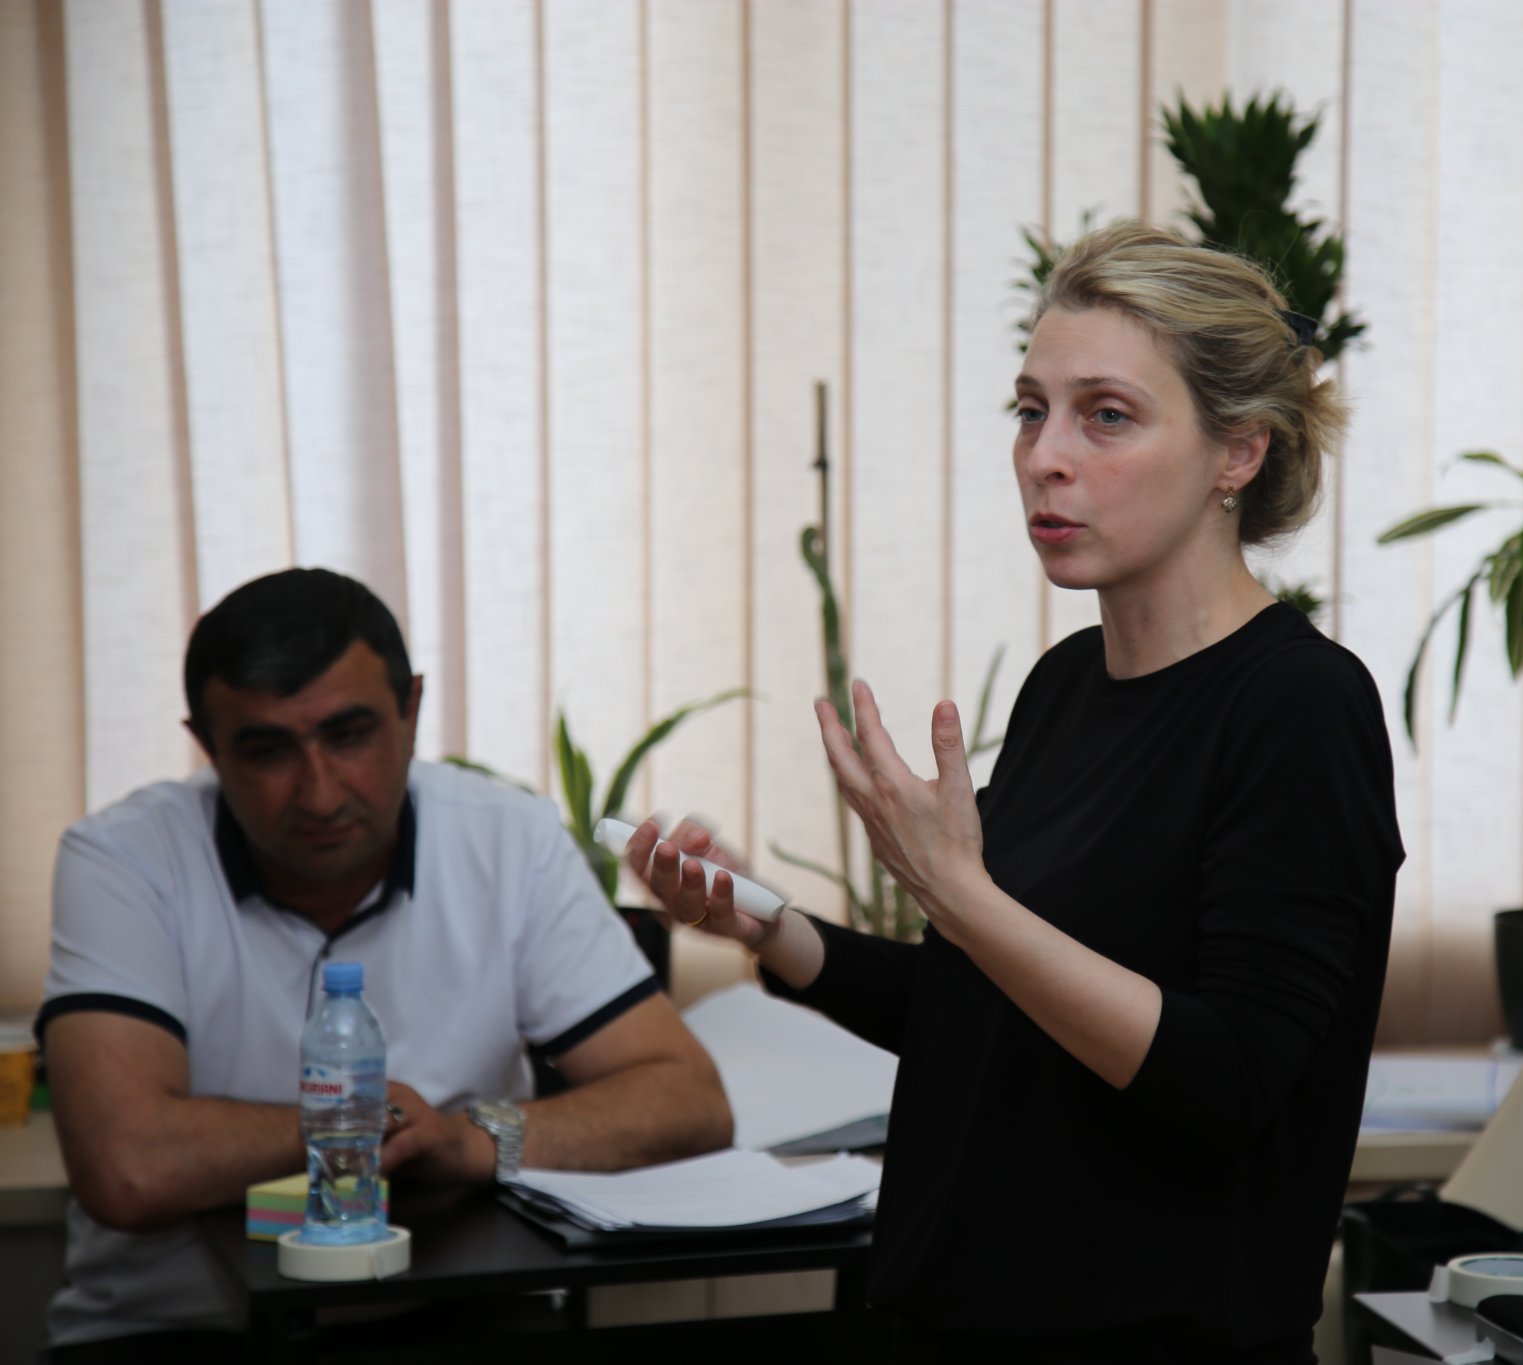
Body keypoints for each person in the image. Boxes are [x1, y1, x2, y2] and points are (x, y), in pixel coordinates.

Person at [629, 223, 1404, 1363]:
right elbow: (985, 1006)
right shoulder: (1065, 688)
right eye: (1030, 410)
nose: (1046, 455)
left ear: (1237, 453)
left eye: (1107, 415)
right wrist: (772, 927)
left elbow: (1232, 1077)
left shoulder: (1300, 706)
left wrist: (958, 891)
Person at [35, 568, 733, 1358]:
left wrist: (469, 1139)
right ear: (208, 746)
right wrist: (374, 1121)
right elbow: (127, 1165)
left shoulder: (509, 840)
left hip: (454, 1309)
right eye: (267, 750)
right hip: (173, 1326)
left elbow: (689, 1100)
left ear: (411, 710)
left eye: (349, 734)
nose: (320, 793)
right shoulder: (124, 858)